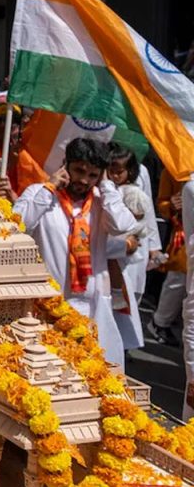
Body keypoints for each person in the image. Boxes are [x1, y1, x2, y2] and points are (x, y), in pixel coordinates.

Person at [13, 138, 137, 368]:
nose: (83, 180)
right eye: (79, 170)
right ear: (65, 165)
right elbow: (18, 224)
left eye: (93, 175)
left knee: (93, 374)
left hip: (93, 305)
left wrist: (107, 186)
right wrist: (49, 188)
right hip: (49, 304)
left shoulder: (103, 201)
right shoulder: (40, 193)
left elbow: (123, 225)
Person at [103, 143, 159, 353]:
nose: (115, 175)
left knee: (126, 296)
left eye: (119, 171)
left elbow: (141, 217)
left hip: (128, 245)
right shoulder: (110, 187)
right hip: (113, 245)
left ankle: (122, 345)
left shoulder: (132, 192)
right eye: (112, 171)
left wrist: (152, 246)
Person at [151, 171, 185, 345]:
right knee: (177, 281)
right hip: (185, 235)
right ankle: (160, 322)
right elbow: (162, 205)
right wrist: (171, 204)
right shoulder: (173, 169)